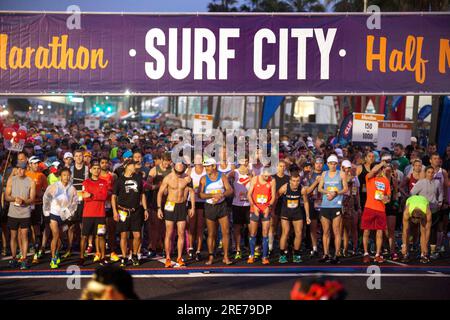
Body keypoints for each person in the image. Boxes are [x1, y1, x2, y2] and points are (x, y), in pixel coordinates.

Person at [157, 162, 195, 268]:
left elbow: (192, 193)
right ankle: (168, 257)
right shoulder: (168, 178)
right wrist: (159, 208)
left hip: (182, 206)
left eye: (181, 172)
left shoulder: (187, 178)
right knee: (169, 232)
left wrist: (192, 207)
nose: (179, 174)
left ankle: (179, 257)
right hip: (170, 205)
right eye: (178, 172)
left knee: (181, 232)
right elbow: (160, 193)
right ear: (174, 168)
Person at [112, 159, 149, 267]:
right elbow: (114, 196)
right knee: (124, 235)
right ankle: (124, 257)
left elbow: (142, 194)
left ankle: (134, 255)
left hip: (136, 210)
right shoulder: (119, 180)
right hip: (123, 211)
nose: (135, 167)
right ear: (127, 166)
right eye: (133, 165)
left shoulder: (138, 178)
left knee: (137, 235)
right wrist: (115, 211)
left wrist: (145, 209)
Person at [198, 158, 234, 265]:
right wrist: (213, 195)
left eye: (208, 166)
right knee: (211, 233)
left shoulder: (222, 176)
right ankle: (211, 257)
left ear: (214, 166)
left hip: (222, 206)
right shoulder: (203, 179)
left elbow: (230, 190)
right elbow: (200, 194)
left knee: (226, 232)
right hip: (210, 207)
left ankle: (226, 256)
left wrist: (221, 195)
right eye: (205, 167)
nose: (206, 169)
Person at [42, 167, 78, 268]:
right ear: (60, 176)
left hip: (64, 216)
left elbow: (75, 203)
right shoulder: (54, 186)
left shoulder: (72, 189)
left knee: (61, 238)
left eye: (68, 175)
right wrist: (46, 213)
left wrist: (69, 212)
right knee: (56, 235)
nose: (66, 177)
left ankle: (57, 252)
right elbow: (46, 199)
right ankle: (53, 259)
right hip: (53, 213)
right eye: (64, 175)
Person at [5, 161, 36, 270]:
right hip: (13, 213)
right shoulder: (11, 179)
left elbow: (32, 199)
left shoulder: (30, 181)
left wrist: (24, 201)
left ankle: (23, 258)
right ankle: (14, 258)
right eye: (18, 168)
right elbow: (7, 196)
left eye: (22, 169)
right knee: (13, 236)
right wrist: (14, 199)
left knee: (24, 236)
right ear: (16, 169)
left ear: (26, 169)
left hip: (25, 213)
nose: (20, 170)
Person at [318, 155, 348, 264]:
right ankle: (326, 254)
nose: (332, 165)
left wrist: (336, 193)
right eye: (330, 163)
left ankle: (336, 254)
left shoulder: (341, 174)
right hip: (325, 205)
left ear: (337, 164)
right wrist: (328, 192)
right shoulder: (324, 174)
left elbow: (345, 188)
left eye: (334, 163)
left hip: (336, 205)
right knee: (326, 231)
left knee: (336, 231)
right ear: (328, 164)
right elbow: (319, 188)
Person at [79, 161, 109, 266]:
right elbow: (84, 198)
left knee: (101, 236)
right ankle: (81, 258)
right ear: (90, 170)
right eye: (94, 168)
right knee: (84, 237)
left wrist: (91, 195)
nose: (96, 170)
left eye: (98, 168)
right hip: (87, 215)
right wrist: (96, 195)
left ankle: (102, 257)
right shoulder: (85, 182)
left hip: (100, 215)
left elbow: (104, 197)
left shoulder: (104, 182)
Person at [410, 165, 444, 259]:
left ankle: (432, 251)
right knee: (423, 231)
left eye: (432, 172)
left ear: (434, 173)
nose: (430, 174)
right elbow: (412, 193)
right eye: (428, 172)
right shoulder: (420, 182)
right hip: (423, 210)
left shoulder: (437, 182)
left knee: (433, 231)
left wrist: (440, 202)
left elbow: (440, 193)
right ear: (425, 173)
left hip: (434, 209)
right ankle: (422, 250)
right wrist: (416, 204)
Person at [361, 160, 391, 264]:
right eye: (377, 168)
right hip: (369, 207)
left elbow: (388, 197)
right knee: (366, 231)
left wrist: (385, 198)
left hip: (381, 209)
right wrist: (381, 164)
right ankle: (366, 253)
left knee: (379, 232)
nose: (379, 170)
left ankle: (378, 254)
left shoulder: (385, 180)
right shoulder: (369, 177)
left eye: (380, 169)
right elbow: (372, 171)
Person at [278, 171, 310, 263]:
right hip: (286, 212)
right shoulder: (285, 187)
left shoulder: (302, 189)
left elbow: (306, 202)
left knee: (299, 233)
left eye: (297, 181)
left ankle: (296, 254)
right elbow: (276, 197)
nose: (295, 183)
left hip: (297, 213)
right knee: (285, 232)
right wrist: (273, 211)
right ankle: (282, 255)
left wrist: (307, 216)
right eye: (294, 181)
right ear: (290, 181)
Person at [247, 166, 276, 265]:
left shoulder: (272, 181)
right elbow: (249, 194)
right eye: (265, 176)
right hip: (255, 207)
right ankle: (251, 255)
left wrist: (269, 206)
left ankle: (264, 256)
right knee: (253, 232)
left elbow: (273, 196)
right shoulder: (255, 179)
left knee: (265, 232)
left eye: (268, 176)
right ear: (261, 173)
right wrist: (253, 206)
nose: (267, 178)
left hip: (265, 208)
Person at [64, 149, 89, 259]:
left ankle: (84, 249)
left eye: (80, 156)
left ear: (83, 157)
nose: (79, 158)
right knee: (71, 226)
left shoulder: (87, 169)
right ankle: (69, 248)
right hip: (72, 201)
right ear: (73, 158)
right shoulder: (70, 169)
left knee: (83, 226)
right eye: (77, 156)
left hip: (84, 201)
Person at [147, 152, 172, 257]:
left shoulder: (172, 170)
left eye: (169, 162)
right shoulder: (154, 170)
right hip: (155, 201)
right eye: (165, 161)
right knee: (155, 226)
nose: (167, 164)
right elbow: (148, 184)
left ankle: (163, 247)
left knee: (166, 226)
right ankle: (153, 247)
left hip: (168, 201)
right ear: (162, 160)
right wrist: (157, 186)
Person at [26, 156, 48, 264]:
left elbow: (47, 192)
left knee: (36, 229)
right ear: (29, 164)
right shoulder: (24, 174)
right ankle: (23, 252)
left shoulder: (42, 175)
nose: (36, 165)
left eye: (37, 163)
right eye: (34, 163)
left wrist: (41, 194)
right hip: (25, 206)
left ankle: (36, 253)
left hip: (37, 205)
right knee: (25, 230)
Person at [229, 158, 252, 260]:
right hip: (237, 204)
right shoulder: (235, 172)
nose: (244, 162)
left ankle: (251, 249)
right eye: (242, 160)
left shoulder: (252, 173)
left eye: (246, 160)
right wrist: (231, 188)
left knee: (251, 228)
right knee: (237, 228)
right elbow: (224, 179)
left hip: (249, 204)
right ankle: (238, 249)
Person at [401, 195, 432, 263]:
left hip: (423, 201)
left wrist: (425, 246)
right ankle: (406, 254)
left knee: (423, 231)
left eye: (417, 219)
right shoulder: (407, 212)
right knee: (408, 229)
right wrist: (404, 245)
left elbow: (427, 231)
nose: (416, 220)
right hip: (411, 200)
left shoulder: (427, 212)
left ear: (421, 218)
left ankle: (423, 255)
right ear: (411, 216)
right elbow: (405, 231)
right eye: (414, 218)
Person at [186, 154, 206, 261]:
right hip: (191, 201)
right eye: (197, 158)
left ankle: (198, 249)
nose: (198, 160)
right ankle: (190, 247)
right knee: (191, 225)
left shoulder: (206, 171)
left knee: (200, 226)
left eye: (200, 158)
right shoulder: (190, 171)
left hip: (203, 201)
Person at [99, 157, 119, 262]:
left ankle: (112, 251)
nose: (104, 164)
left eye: (106, 162)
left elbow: (116, 192)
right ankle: (100, 253)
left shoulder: (113, 176)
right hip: (99, 206)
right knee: (100, 231)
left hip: (111, 205)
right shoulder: (96, 175)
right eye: (102, 162)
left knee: (111, 230)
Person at [304, 157, 324, 257]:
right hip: (312, 203)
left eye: (321, 163)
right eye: (317, 163)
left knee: (326, 227)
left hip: (325, 203)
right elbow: (306, 191)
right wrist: (316, 182)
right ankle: (314, 248)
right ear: (314, 164)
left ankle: (326, 249)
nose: (319, 165)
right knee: (313, 227)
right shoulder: (309, 175)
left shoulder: (327, 174)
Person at [341, 160, 360, 257]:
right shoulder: (340, 177)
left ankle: (355, 247)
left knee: (354, 227)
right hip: (343, 204)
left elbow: (357, 194)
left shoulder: (355, 179)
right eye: (347, 168)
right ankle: (345, 248)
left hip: (352, 205)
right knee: (344, 228)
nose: (349, 170)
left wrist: (359, 206)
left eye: (351, 169)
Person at [271, 160, 289, 256]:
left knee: (283, 229)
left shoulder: (288, 178)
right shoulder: (272, 178)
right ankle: (270, 248)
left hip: (285, 206)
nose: (282, 168)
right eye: (280, 166)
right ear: (277, 167)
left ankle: (284, 248)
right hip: (274, 205)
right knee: (272, 226)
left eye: (283, 166)